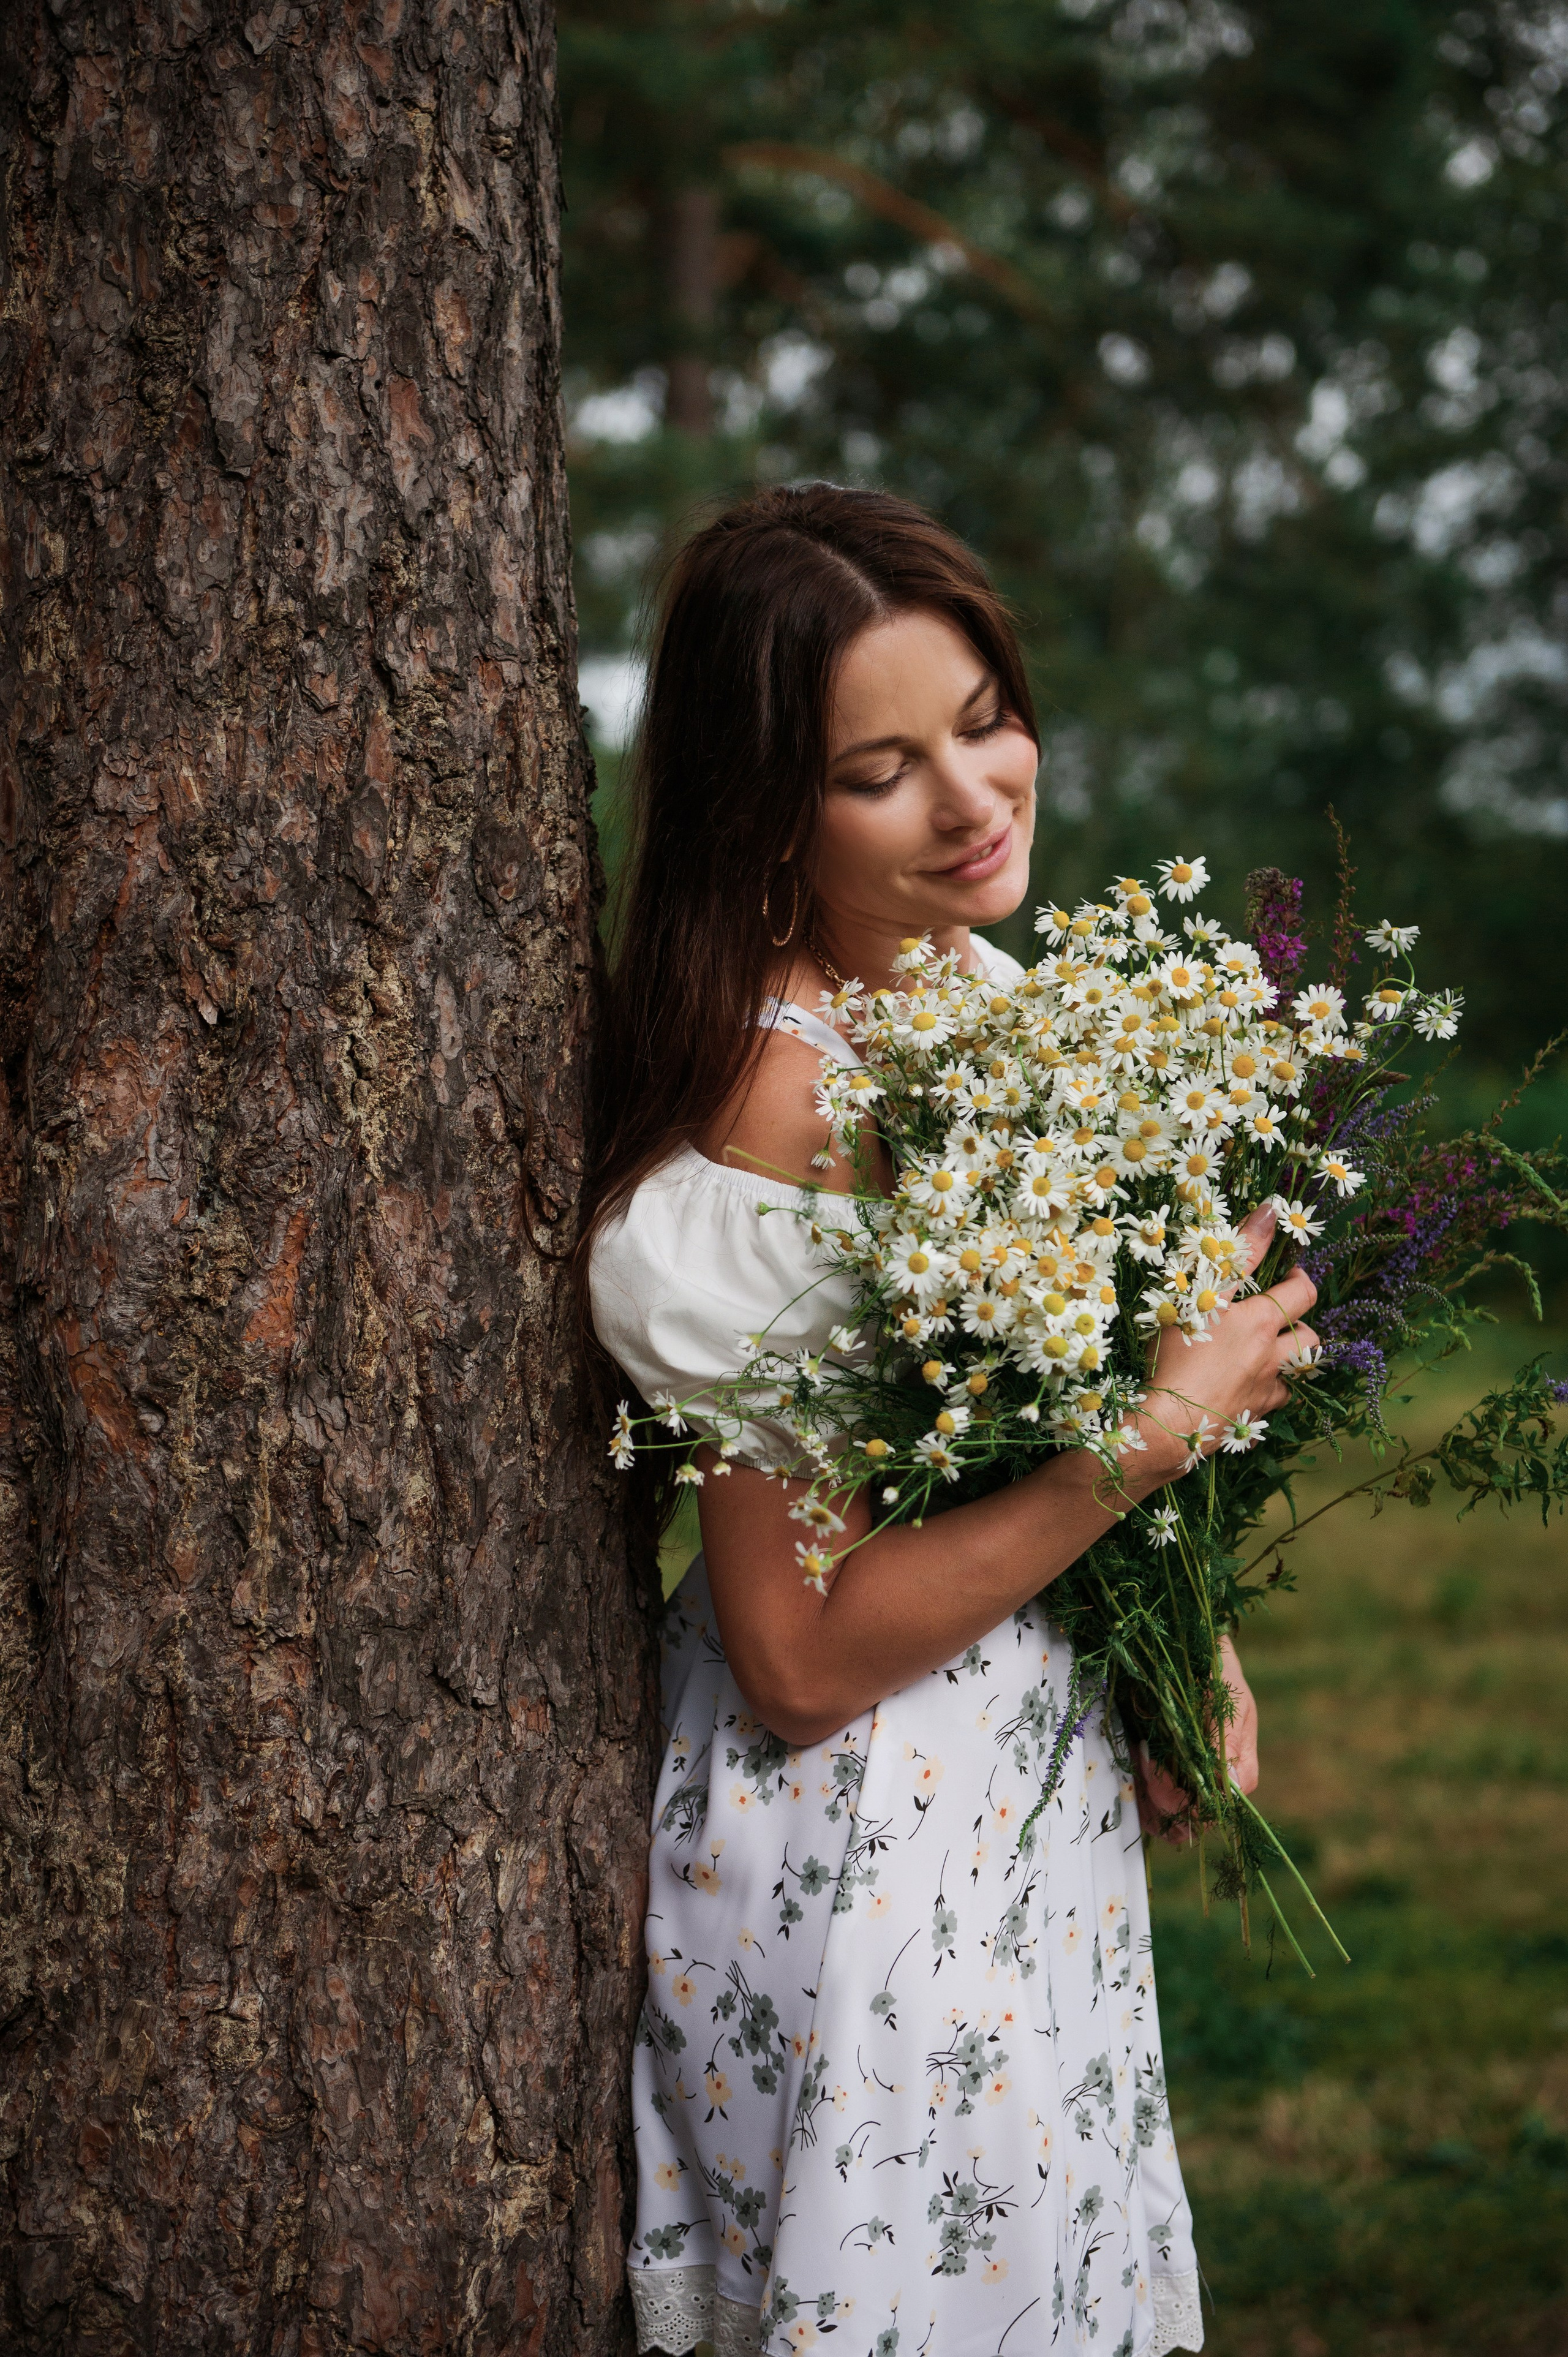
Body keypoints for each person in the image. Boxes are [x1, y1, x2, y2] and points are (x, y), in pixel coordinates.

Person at [582, 484, 1317, 2357]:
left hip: (1015, 1805)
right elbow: (799, 1658)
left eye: (986, 721)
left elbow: (1043, 1406)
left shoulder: (985, 992)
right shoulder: (780, 1105)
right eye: (880, 770)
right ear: (770, 811)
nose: (975, 798)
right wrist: (1152, 1442)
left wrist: (1186, 1642)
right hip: (866, 1864)